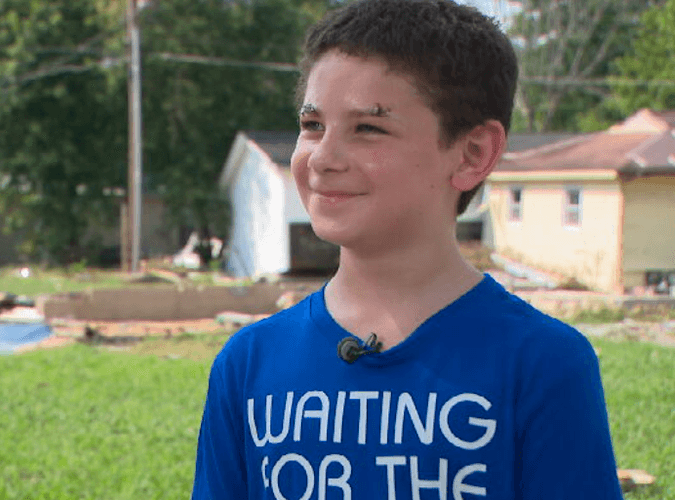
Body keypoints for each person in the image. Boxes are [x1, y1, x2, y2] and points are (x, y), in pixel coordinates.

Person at [192, 0, 624, 498]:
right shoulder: (248, 362)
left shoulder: (543, 364)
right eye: (313, 126)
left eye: (368, 128)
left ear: (472, 153)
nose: (323, 158)